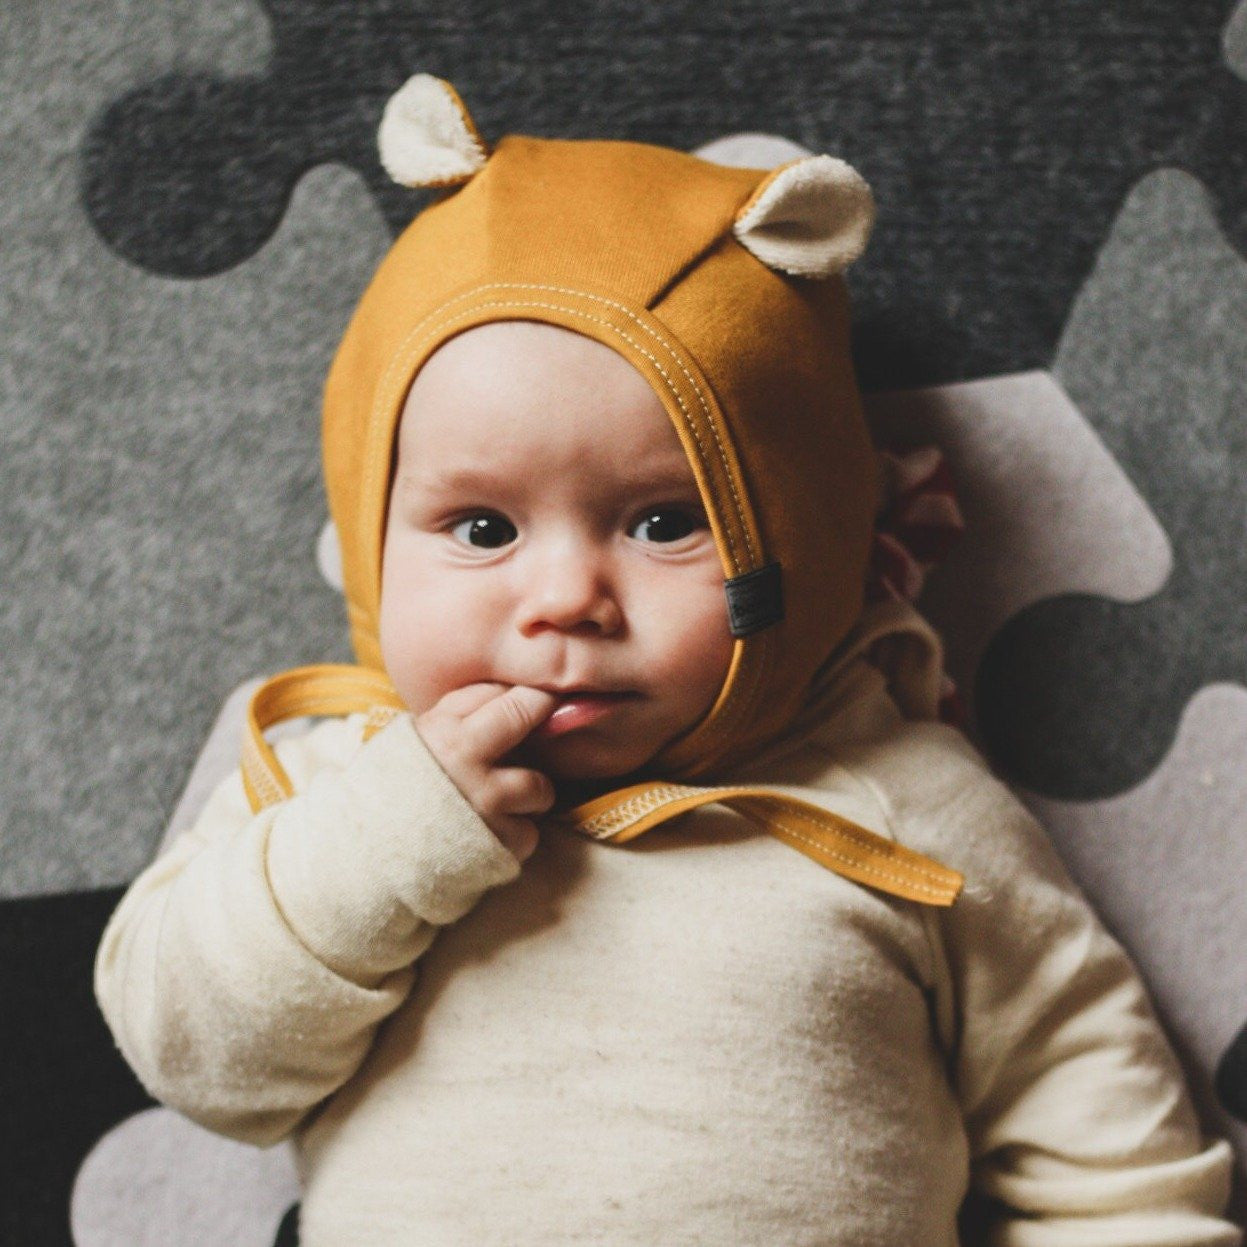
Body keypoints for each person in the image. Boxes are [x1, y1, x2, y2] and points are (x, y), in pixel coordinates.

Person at [94, 74, 1240, 1244]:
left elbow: (1110, 1157)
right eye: (482, 528)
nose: (565, 600)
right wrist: (384, 843)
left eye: (660, 522)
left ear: (801, 543)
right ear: (369, 542)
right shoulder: (326, 788)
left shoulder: (905, 802)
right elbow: (202, 1060)